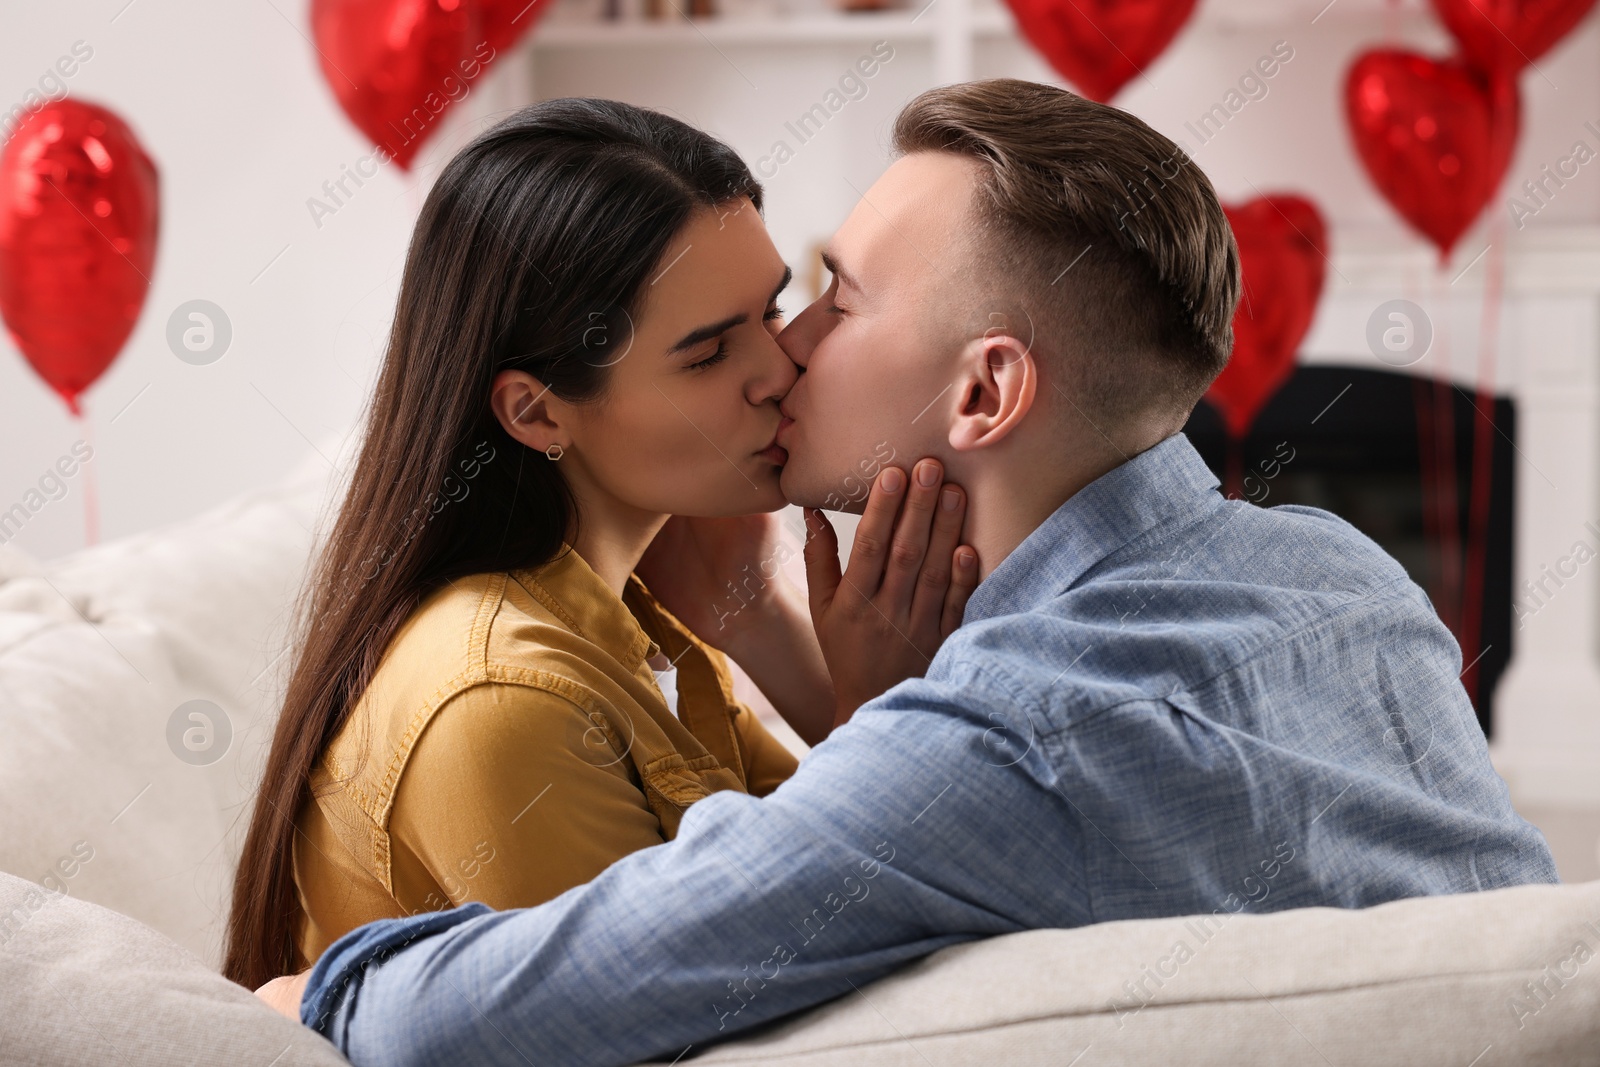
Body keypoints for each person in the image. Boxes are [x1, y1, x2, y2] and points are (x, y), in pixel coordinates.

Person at [258, 80, 1559, 1066]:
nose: (793, 351)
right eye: (735, 335)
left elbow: (519, 1003)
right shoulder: (1349, 572)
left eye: (836, 292)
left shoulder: (1008, 737)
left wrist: (313, 992)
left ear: (984, 390)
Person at [223, 98, 978, 991]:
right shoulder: (502, 699)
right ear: (537, 411)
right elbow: (747, 1008)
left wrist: (766, 627)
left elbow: (815, 876)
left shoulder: (625, 623)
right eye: (707, 355)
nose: (781, 369)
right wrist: (875, 704)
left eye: (769, 311)